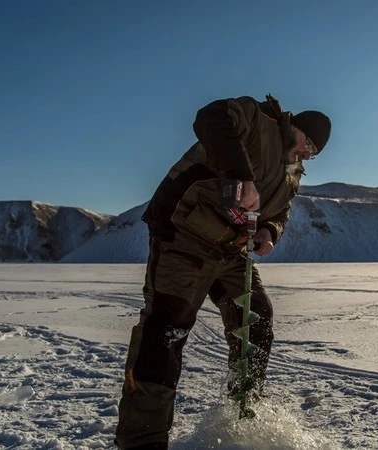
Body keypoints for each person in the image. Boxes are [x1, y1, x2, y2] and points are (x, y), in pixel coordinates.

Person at [115, 94, 331, 450]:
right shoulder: (255, 119)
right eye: (309, 145)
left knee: (255, 317)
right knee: (165, 332)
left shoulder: (291, 175)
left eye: (315, 153)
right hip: (184, 234)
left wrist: (270, 230)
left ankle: (241, 412)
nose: (308, 155)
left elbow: (280, 212)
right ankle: (142, 441)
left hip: (230, 250)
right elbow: (210, 117)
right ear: (297, 128)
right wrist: (239, 176)